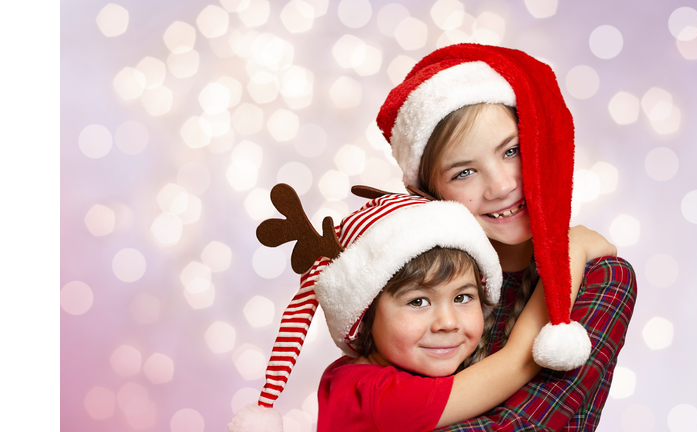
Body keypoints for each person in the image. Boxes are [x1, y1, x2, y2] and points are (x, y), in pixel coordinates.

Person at [374, 43, 637, 431]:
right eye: (463, 172)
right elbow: (370, 397)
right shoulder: (413, 275)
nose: (499, 187)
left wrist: (565, 257)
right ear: (431, 194)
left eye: (512, 151)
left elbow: (523, 425)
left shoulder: (603, 278)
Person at [228, 186, 608, 432]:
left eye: (463, 297)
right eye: (418, 301)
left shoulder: (361, 374)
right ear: (366, 316)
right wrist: (567, 253)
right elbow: (517, 362)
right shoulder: (376, 395)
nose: (447, 323)